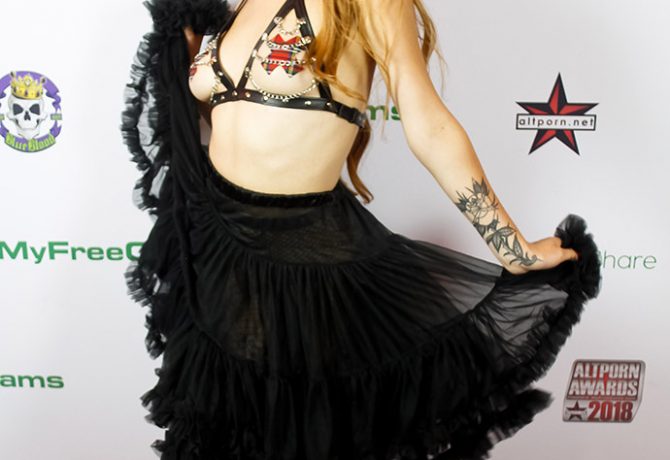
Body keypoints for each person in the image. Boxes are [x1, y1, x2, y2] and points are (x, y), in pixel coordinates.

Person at [121, 0, 602, 458]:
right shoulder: (236, 7)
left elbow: (428, 124)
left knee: (302, 436)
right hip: (217, 254)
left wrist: (509, 245)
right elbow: (229, 122)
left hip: (304, 265)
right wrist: (185, 45)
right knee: (222, 434)